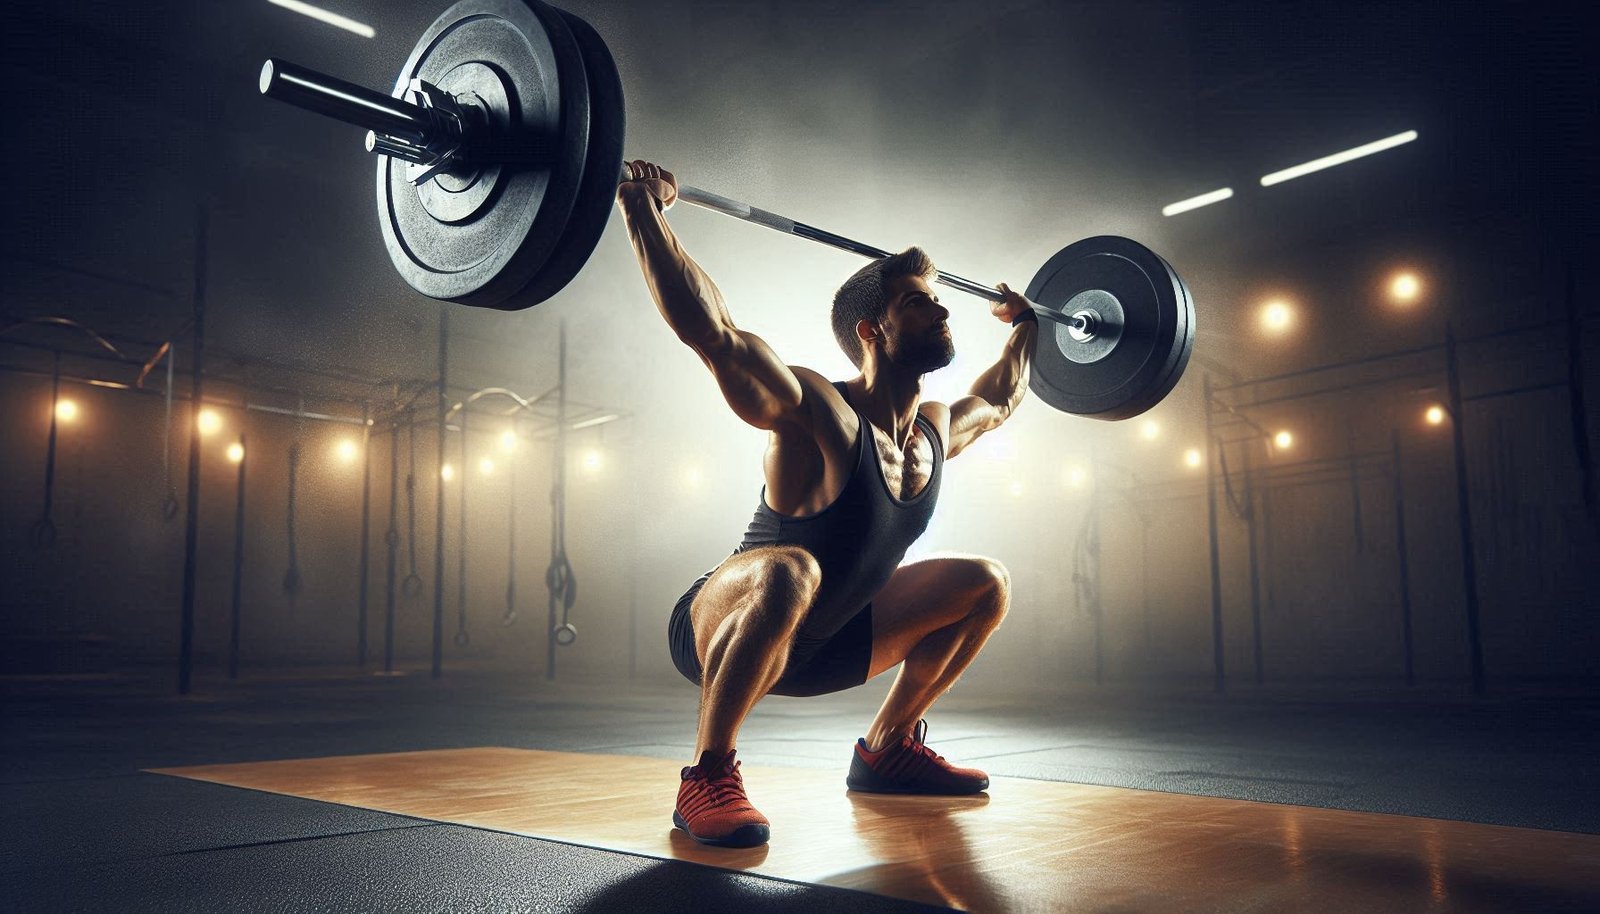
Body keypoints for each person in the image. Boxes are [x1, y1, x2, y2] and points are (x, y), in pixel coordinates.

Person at [617, 160, 1039, 848]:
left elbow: (998, 400)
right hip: (724, 629)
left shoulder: (932, 430)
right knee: (792, 572)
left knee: (986, 584)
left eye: (936, 299)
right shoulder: (820, 410)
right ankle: (707, 774)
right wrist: (642, 209)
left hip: (827, 646)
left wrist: (1026, 326)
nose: (941, 308)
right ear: (871, 331)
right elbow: (714, 333)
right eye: (916, 302)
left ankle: (887, 749)